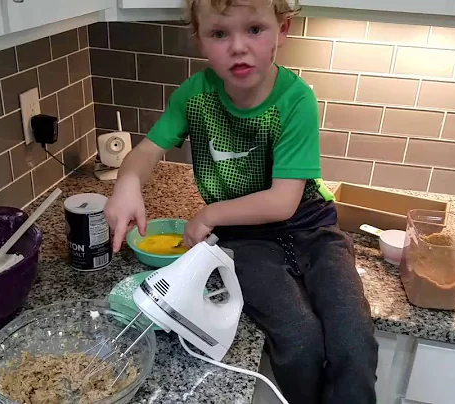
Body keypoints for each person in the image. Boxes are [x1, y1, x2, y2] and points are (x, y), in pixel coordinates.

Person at [103, 0, 378, 402]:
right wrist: (126, 182)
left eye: (254, 29)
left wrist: (210, 212)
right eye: (219, 33)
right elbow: (146, 152)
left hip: (312, 227)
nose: (238, 47)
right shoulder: (195, 96)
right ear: (200, 39)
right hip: (245, 240)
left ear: (282, 30)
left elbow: (284, 202)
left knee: (353, 339)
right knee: (299, 340)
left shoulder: (295, 99)